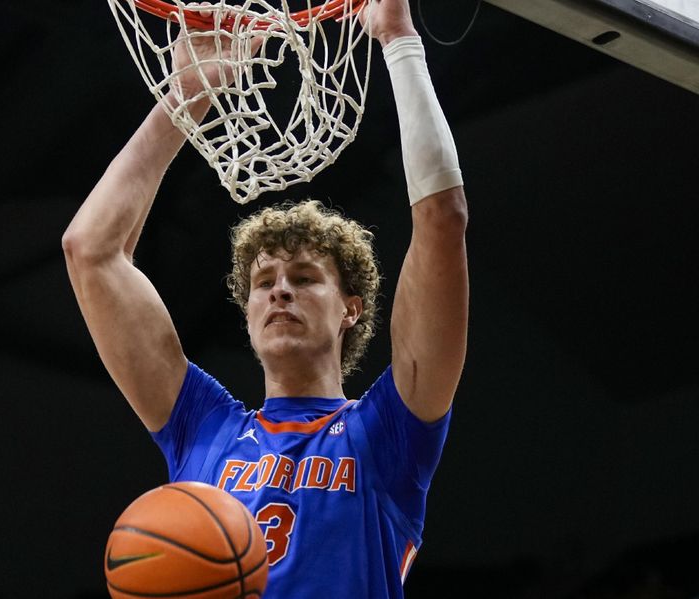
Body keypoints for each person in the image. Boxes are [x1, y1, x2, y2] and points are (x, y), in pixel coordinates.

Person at [62, 0, 468, 595]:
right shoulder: (203, 429)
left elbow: (442, 217)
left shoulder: (388, 434)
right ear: (247, 313)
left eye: (305, 278)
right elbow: (89, 250)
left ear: (350, 308)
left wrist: (399, 40)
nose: (279, 289)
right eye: (263, 282)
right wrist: (186, 98)